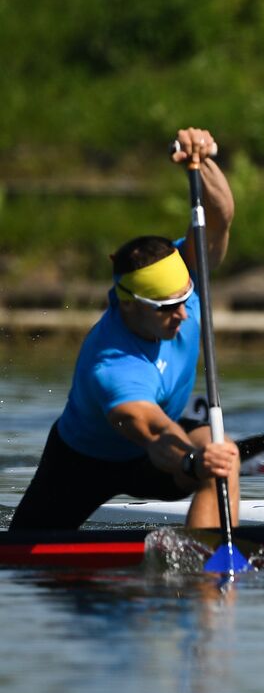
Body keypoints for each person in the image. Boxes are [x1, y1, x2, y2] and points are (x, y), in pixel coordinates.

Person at [9, 130, 240, 530]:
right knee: (27, 562)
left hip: (158, 457)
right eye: (167, 308)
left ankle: (204, 572)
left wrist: (201, 163)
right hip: (83, 463)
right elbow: (156, 433)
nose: (183, 315)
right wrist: (190, 459)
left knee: (223, 458)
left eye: (186, 299)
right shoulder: (113, 365)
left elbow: (220, 218)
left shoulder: (183, 279)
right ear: (130, 305)